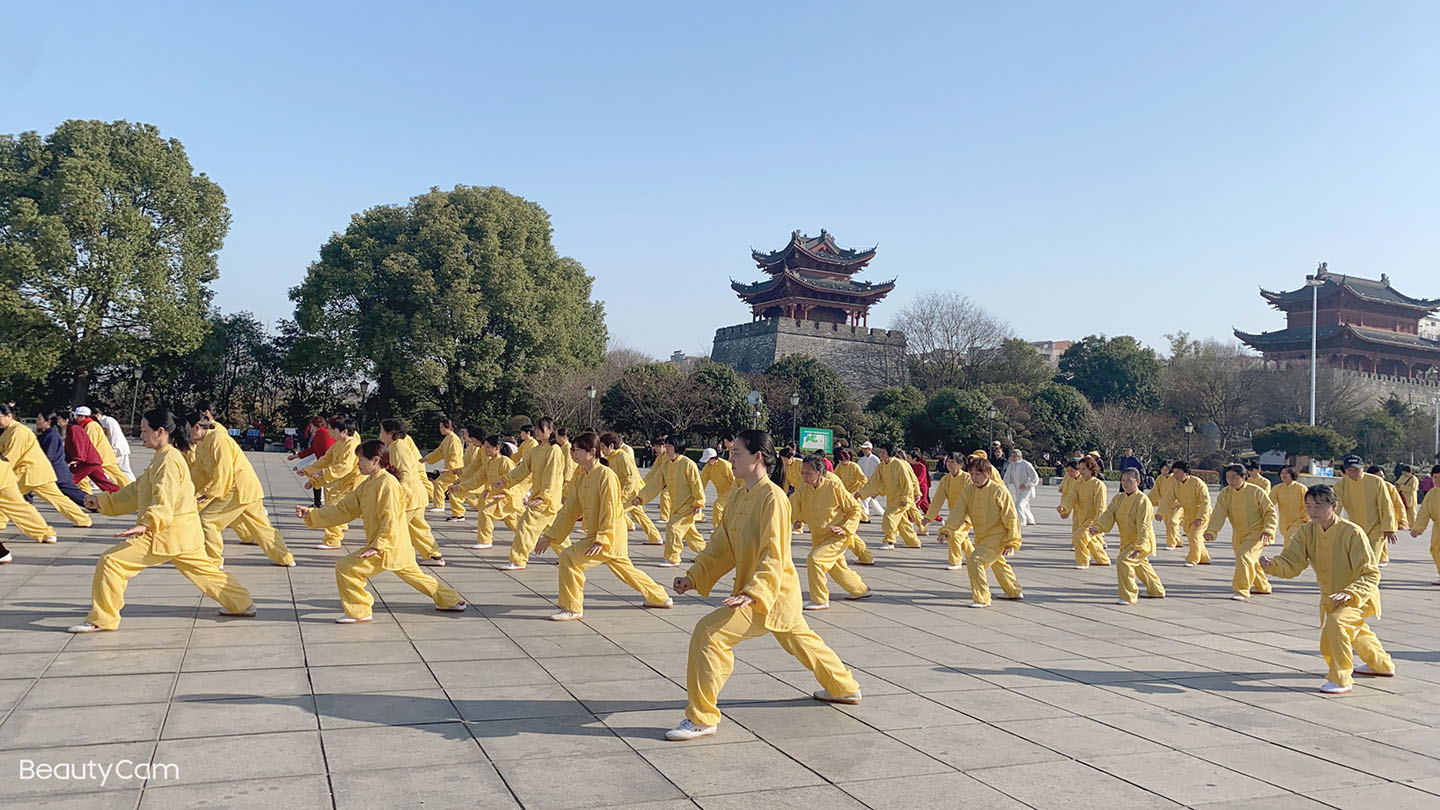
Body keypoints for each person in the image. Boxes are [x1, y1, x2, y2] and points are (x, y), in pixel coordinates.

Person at [666, 429, 861, 741]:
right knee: (802, 642)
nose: (731, 459)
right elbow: (722, 544)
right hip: (768, 593)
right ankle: (845, 687)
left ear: (758, 457)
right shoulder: (738, 496)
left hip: (768, 593)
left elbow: (774, 552)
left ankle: (702, 717)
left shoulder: (774, 498)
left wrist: (752, 592)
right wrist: (694, 575)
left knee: (709, 634)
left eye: (737, 454)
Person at [67, 408, 256, 633]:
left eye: (145, 430)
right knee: (206, 572)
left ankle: (104, 618)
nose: (142, 434)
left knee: (112, 562)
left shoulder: (168, 460)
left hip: (166, 532)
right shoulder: (163, 457)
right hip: (183, 532)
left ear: (160, 432)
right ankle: (242, 603)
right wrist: (102, 502)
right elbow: (137, 491)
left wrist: (147, 524)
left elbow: (164, 498)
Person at [298, 439, 467, 623]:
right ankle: (452, 600)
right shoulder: (370, 482)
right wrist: (312, 514)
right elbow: (344, 510)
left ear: (375, 460)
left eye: (361, 459)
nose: (358, 464)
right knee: (415, 576)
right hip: (394, 545)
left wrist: (378, 545)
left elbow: (391, 518)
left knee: (346, 568)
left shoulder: (388, 484)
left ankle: (359, 610)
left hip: (387, 544)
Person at [1261, 485, 1394, 694]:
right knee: (1356, 631)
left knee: (1336, 625)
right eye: (1308, 505)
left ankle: (1341, 678)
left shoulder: (1352, 532)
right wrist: (1274, 565)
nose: (1312, 510)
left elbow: (1370, 573)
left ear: (1334, 506)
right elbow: (1292, 561)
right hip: (1331, 596)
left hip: (1358, 596)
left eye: (1318, 505)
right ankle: (1381, 664)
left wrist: (1351, 592)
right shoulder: (1306, 531)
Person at [536, 431, 673, 620]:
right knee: (626, 571)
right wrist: (550, 536)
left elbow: (610, 510)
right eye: (573, 450)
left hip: (608, 535)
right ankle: (661, 597)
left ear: (592, 452)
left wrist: (602, 539)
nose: (573, 454)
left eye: (577, 450)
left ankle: (572, 607)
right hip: (603, 535)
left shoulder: (606, 476)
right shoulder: (582, 476)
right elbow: (569, 511)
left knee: (569, 558)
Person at [190, 415, 296, 568]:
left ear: (197, 427)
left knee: (208, 520)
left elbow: (223, 471)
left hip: (236, 488)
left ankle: (213, 561)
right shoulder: (203, 443)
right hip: (243, 488)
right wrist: (189, 491)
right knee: (261, 528)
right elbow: (199, 473)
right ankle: (285, 557)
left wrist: (209, 493)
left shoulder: (218, 439)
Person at [790, 454, 871, 609]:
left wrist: (846, 528)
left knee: (815, 560)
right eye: (803, 473)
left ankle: (820, 600)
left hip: (837, 536)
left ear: (819, 472)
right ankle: (861, 590)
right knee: (837, 569)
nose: (805, 476)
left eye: (808, 473)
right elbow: (791, 507)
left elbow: (855, 508)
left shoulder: (833, 486)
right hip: (819, 537)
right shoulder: (803, 489)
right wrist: (797, 519)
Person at [0, 404, 93, 530]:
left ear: (9, 416)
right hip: (31, 472)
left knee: (6, 494)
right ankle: (82, 519)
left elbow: (10, 458)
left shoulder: (18, 431)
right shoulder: (9, 431)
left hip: (31, 471)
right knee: (56, 498)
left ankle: (81, 519)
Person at [949, 455, 1024, 608]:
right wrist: (947, 529)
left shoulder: (999, 490)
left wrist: (1012, 541)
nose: (974, 477)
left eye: (978, 474)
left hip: (998, 537)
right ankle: (1013, 591)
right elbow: (958, 511)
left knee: (975, 560)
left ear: (988, 474)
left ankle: (982, 598)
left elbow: (1011, 517)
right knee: (998, 563)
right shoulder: (969, 490)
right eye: (972, 474)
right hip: (981, 536)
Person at [495, 416, 566, 571]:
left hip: (546, 499)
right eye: (537, 429)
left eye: (541, 429)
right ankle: (569, 557)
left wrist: (543, 497)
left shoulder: (554, 450)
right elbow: (523, 469)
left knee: (525, 525)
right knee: (556, 531)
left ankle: (518, 560)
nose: (538, 432)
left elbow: (552, 476)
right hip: (542, 497)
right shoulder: (536, 450)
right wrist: (506, 480)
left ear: (550, 431)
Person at [1089, 468, 1165, 604]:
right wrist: (1098, 527)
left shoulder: (1143, 501)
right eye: (1123, 480)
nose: (1125, 484)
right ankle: (1156, 590)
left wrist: (1140, 546)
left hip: (1142, 540)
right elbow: (1108, 515)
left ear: (1138, 481)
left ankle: (1128, 596)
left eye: (1129, 480)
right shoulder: (1118, 498)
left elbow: (1144, 526)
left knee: (1123, 561)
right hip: (1126, 540)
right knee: (1141, 566)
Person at [1204, 464, 1278, 601]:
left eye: (1234, 477)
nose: (1230, 480)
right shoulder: (1225, 493)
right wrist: (1211, 531)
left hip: (1257, 533)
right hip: (1238, 534)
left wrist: (1268, 529)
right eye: (1227, 477)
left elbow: (1270, 512)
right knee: (1250, 561)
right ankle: (1263, 586)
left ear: (1243, 477)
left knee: (1244, 557)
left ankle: (1242, 590)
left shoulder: (1256, 491)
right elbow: (1218, 513)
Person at [380, 418, 447, 567]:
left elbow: (405, 473)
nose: (380, 435)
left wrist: (400, 494)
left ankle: (390, 557)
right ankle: (435, 556)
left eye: (382, 431)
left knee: (394, 526)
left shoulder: (398, 447)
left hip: (410, 496)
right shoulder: (397, 445)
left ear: (391, 433)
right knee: (418, 529)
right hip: (416, 495)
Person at [635, 435, 707, 568]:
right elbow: (655, 484)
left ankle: (673, 558)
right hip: (676, 506)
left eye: (669, 447)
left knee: (673, 529)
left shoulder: (688, 464)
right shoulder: (666, 465)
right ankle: (706, 555)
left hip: (689, 506)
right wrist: (641, 497)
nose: (666, 449)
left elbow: (697, 485)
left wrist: (698, 503)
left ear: (677, 448)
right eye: (666, 446)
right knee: (690, 534)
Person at [298, 418, 362, 550]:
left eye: (332, 429)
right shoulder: (339, 443)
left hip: (352, 482)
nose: (328, 431)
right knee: (334, 503)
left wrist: (320, 474)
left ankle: (333, 539)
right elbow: (326, 459)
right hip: (342, 481)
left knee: (333, 507)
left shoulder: (351, 444)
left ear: (343, 431)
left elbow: (345, 467)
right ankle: (340, 525)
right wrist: (309, 471)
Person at [1333, 456, 1398, 568]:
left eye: (1356, 469)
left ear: (1363, 467)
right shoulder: (1341, 486)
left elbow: (1386, 505)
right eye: (1349, 470)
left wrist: (1389, 528)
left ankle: (1369, 584)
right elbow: (1335, 507)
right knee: (1357, 560)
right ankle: (1362, 583)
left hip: (1376, 528)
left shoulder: (1376, 482)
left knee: (1371, 560)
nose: (1353, 473)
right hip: (1356, 529)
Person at [461, 434, 523, 550]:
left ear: (497, 448)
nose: (486, 450)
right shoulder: (489, 462)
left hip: (509, 497)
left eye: (489, 447)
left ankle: (485, 541)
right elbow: (477, 479)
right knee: (512, 523)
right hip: (500, 496)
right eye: (485, 447)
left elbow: (513, 481)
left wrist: (504, 493)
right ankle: (529, 537)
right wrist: (459, 486)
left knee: (486, 512)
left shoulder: (506, 462)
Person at [600, 433, 663, 546]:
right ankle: (655, 537)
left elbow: (631, 477)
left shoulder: (623, 456)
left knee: (614, 513)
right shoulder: (612, 458)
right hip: (628, 492)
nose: (602, 450)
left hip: (631, 492)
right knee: (639, 515)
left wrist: (623, 495)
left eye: (603, 447)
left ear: (611, 446)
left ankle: (609, 540)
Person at [0, 439, 63, 548]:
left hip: (21, 472)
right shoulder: (10, 432)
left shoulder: (19, 431)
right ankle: (44, 533)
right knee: (18, 505)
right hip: (6, 472)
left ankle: (45, 532)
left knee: (18, 506)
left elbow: (12, 455)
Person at [856, 443, 920, 549]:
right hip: (891, 497)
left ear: (890, 453)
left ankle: (889, 541)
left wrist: (906, 497)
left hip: (901, 498)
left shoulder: (899, 465)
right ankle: (913, 541)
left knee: (889, 517)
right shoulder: (881, 466)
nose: (881, 454)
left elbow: (908, 482)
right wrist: (862, 493)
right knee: (901, 522)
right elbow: (873, 482)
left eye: (883, 452)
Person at [1058, 455, 1111, 568]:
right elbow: (1071, 496)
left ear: (1091, 469)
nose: (1081, 471)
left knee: (1079, 536)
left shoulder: (1098, 485)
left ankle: (1083, 561)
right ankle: (1103, 559)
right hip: (1082, 517)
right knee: (1091, 541)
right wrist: (1064, 507)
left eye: (1083, 469)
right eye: (1080, 468)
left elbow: (1101, 506)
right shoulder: (1079, 483)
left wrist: (1098, 524)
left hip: (1093, 519)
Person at [1158, 461, 1212, 566]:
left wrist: (1201, 517)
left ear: (1186, 473)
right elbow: (1167, 500)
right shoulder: (1175, 485)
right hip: (1188, 514)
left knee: (1194, 535)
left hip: (1202, 513)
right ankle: (1204, 557)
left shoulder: (1197, 483)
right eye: (1174, 472)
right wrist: (1160, 512)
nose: (1176, 475)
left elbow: (1206, 501)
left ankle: (1193, 559)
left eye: (1178, 472)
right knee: (1193, 536)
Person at [931, 452, 979, 570]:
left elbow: (973, 497)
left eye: (952, 462)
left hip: (967, 514)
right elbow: (938, 498)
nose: (949, 464)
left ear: (960, 464)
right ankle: (973, 558)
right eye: (948, 462)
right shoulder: (945, 479)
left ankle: (955, 562)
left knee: (955, 535)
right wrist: (929, 516)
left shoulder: (967, 478)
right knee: (963, 539)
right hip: (954, 515)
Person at [56, 410, 120, 493]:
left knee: (67, 481)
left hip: (86, 462)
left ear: (66, 420)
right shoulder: (72, 429)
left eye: (59, 419)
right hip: (91, 461)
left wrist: (77, 459)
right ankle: (122, 496)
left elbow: (79, 445)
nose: (58, 422)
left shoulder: (74, 429)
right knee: (104, 483)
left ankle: (74, 501)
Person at [32, 412, 88, 506]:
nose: (37, 421)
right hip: (54, 470)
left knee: (73, 493)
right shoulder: (47, 434)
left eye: (40, 419)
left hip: (57, 470)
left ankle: (95, 504)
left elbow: (49, 455)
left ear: (48, 422)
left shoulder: (51, 435)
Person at [72, 406, 131, 488]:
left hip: (102, 457)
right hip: (99, 457)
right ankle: (84, 494)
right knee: (87, 478)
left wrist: (81, 457)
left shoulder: (91, 426)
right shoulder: (87, 424)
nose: (75, 418)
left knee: (117, 476)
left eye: (76, 416)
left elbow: (90, 444)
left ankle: (130, 489)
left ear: (82, 416)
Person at [422, 418, 467, 520]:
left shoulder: (454, 439)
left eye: (442, 427)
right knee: (447, 487)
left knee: (440, 484)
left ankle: (440, 506)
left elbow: (454, 455)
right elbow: (439, 452)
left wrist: (450, 468)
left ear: (448, 427)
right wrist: (426, 458)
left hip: (454, 469)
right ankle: (442, 506)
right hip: (451, 469)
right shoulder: (447, 439)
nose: (440, 429)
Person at [289, 416, 333, 508]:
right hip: (325, 461)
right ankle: (319, 503)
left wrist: (297, 458)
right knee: (316, 480)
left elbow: (313, 449)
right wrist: (296, 456)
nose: (310, 429)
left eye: (311, 426)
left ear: (314, 425)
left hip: (326, 462)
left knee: (318, 480)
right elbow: (313, 450)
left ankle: (320, 504)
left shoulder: (321, 433)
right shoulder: (322, 432)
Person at [1408, 477, 1440, 585]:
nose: (1437, 480)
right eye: (1435, 477)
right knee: (1436, 550)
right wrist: (1417, 528)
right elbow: (1424, 512)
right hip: (1438, 529)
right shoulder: (1432, 494)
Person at [91, 404, 134, 481]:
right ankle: (131, 483)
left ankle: (132, 483)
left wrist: (114, 449)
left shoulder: (109, 421)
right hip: (111, 449)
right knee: (113, 468)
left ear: (98, 414)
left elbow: (115, 436)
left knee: (122, 469)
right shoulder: (99, 422)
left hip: (118, 449)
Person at [1271, 466, 1310, 548]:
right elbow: (1269, 503)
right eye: (1282, 473)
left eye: (1286, 473)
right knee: (1290, 541)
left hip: (1300, 521)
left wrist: (1307, 518)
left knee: (1290, 537)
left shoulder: (1301, 488)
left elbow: (1307, 504)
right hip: (1284, 522)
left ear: (1292, 474)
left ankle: (1286, 558)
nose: (1283, 475)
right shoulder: (1277, 488)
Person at [1149, 463, 1183, 549]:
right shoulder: (1160, 478)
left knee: (1172, 521)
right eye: (1162, 469)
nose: (1163, 471)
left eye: (1166, 470)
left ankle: (1171, 543)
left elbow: (1182, 491)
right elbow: (1155, 491)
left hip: (1177, 505)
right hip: (1164, 505)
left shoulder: (1175, 478)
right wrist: (1149, 502)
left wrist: (1180, 504)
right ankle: (1177, 540)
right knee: (1168, 523)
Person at [1002, 449, 1040, 526]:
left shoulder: (1026, 464)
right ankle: (1030, 520)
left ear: (1019, 457)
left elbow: (1035, 477)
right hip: (1018, 488)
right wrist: (1004, 486)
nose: (1012, 458)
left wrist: (1027, 484)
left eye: (1014, 456)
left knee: (1019, 504)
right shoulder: (1011, 465)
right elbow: (1007, 477)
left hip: (1027, 489)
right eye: (1011, 456)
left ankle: (1022, 521)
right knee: (1024, 505)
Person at [699, 447, 735, 528]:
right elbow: (702, 482)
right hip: (720, 491)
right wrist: (697, 494)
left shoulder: (725, 465)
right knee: (725, 511)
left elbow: (735, 480)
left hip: (731, 489)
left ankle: (717, 529)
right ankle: (724, 529)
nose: (707, 463)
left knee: (717, 506)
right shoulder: (707, 467)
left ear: (714, 458)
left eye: (708, 460)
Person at [855, 441, 884, 519]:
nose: (864, 450)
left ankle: (865, 514)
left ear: (870, 449)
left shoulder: (875, 459)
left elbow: (880, 471)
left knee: (865, 498)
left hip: (873, 483)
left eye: (865, 448)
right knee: (870, 499)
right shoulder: (861, 460)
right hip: (864, 483)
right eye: (863, 448)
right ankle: (881, 512)